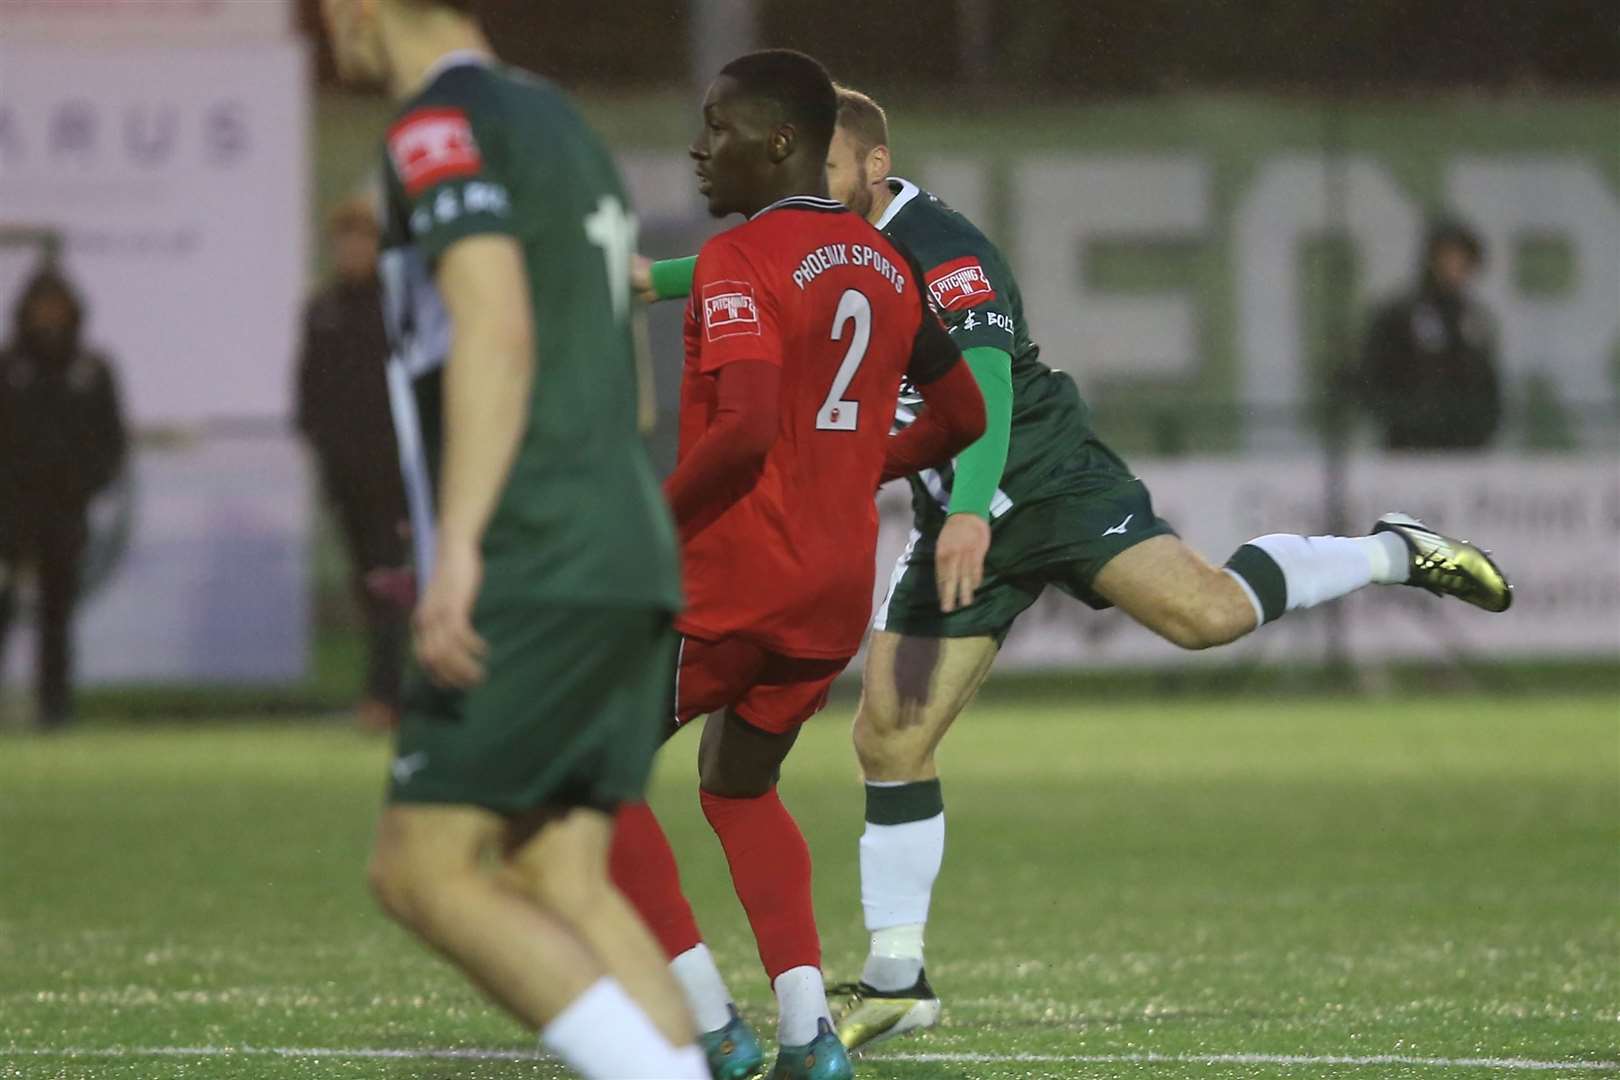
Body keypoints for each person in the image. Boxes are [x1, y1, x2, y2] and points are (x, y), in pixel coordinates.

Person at [640, 85, 1514, 1055]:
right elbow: (748, 264)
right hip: (957, 512)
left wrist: (972, 504)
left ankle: (1389, 548)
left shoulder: (946, 246)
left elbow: (988, 391)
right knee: (888, 735)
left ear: (874, 168)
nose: (807, 181)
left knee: (1207, 616)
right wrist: (654, 280)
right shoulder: (832, 241)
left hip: (1042, 483)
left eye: (827, 167)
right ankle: (898, 980)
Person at [318, 1, 707, 1077]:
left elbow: (495, 324)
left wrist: (465, 546)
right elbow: (619, 356)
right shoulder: (562, 123)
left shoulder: (433, 127)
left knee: (421, 872)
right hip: (621, 531)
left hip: (537, 543)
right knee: (558, 875)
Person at [609, 50, 986, 1080]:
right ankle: (810, 1034)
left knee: (578, 775)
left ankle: (709, 1025)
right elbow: (963, 416)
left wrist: (642, 526)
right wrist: (859, 460)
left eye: (718, 125)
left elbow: (741, 433)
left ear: (779, 141)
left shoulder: (741, 261)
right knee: (737, 789)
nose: (700, 147)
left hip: (729, 585)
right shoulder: (882, 261)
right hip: (829, 595)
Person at [295, 197, 409, 732]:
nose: (352, 250)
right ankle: (390, 693)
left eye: (362, 239)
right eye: (345, 240)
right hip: (346, 478)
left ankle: (384, 698)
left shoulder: (399, 306)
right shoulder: (321, 310)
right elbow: (308, 392)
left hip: (398, 476)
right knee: (368, 585)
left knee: (393, 581)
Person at [0, 267, 127, 731]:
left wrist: (83, 485)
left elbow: (110, 441)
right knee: (4, 603)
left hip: (66, 508)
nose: (48, 314)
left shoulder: (92, 369)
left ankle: (55, 707)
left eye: (56, 305)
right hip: (10, 511)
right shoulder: (9, 367)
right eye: (40, 304)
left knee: (57, 611)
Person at [1356, 219, 1502, 450]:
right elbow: (1371, 378)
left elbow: (1489, 386)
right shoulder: (1398, 314)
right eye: (1449, 257)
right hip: (1410, 449)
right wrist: (1405, 419)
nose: (1456, 267)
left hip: (1467, 449)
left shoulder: (1476, 320)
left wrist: (1482, 426)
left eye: (1464, 260)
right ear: (1431, 259)